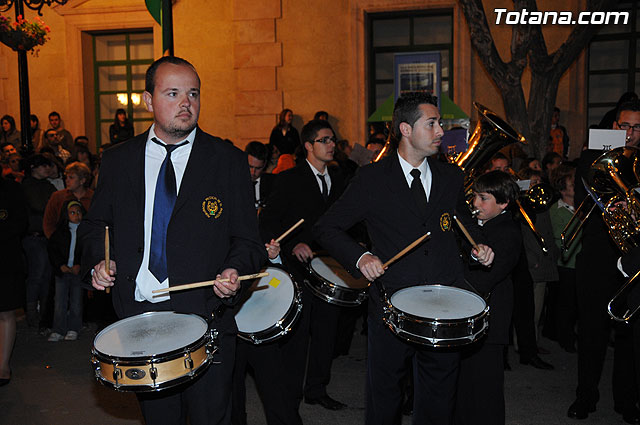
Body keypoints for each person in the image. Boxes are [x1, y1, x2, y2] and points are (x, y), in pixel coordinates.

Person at [79, 56, 266, 425]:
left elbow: (248, 240)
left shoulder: (227, 160)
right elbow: (95, 224)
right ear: (147, 100)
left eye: (193, 93)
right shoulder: (118, 159)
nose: (186, 103)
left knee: (210, 418)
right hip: (142, 320)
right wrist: (98, 262)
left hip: (207, 315)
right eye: (173, 93)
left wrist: (234, 269)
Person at [313, 92, 494, 425]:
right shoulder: (371, 179)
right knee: (385, 395)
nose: (441, 130)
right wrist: (361, 256)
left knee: (439, 395)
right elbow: (327, 227)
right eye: (432, 123)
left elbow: (464, 223)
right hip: (390, 303)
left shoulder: (450, 177)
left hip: (444, 302)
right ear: (405, 129)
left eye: (439, 123)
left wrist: (477, 245)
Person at [260, 119, 349, 413]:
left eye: (333, 139)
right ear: (309, 146)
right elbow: (269, 222)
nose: (331, 145)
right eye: (324, 140)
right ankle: (290, 399)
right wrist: (290, 244)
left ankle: (316, 389)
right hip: (298, 271)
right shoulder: (289, 179)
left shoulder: (339, 179)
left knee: (326, 333)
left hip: (330, 269)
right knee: (297, 338)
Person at [568, 99, 640, 423]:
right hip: (598, 256)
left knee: (629, 335)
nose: (631, 133)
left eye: (637, 128)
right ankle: (586, 397)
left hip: (634, 260)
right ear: (614, 127)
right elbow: (586, 201)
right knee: (592, 333)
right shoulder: (590, 157)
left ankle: (627, 401)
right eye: (625, 126)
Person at [455, 170, 522, 425]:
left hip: (489, 322)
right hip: (472, 318)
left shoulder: (507, 232)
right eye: (475, 197)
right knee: (465, 387)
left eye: (483, 199)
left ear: (503, 203)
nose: (475, 204)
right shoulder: (481, 225)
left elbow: (484, 278)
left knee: (485, 392)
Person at [21, 154, 57, 330]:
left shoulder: (47, 185)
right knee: (37, 274)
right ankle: (32, 314)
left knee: (45, 275)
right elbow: (39, 205)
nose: (47, 170)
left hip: (46, 235)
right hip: (33, 236)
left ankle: (43, 315)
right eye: (44, 166)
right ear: (34, 167)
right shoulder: (27, 186)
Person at [0, 178, 28, 386]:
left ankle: (3, 365)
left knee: (5, 312)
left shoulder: (10, 189)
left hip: (5, 259)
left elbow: (19, 223)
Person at [47, 201, 86, 342]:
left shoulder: (85, 232)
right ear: (66, 215)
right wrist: (60, 265)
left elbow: (86, 252)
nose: (76, 215)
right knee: (59, 302)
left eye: (79, 212)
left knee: (76, 302)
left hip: (77, 272)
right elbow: (53, 251)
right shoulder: (60, 232)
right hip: (62, 271)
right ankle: (58, 329)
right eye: (72, 213)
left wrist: (79, 265)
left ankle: (74, 328)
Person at [43, 161, 93, 239]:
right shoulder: (58, 197)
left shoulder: (92, 197)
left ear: (82, 180)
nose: (67, 180)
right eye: (66, 177)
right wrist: (55, 241)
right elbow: (48, 223)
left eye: (71, 178)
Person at [245, 141, 275, 210]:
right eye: (250, 166)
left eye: (258, 168)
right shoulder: (234, 183)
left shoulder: (273, 183)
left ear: (264, 165)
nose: (253, 172)